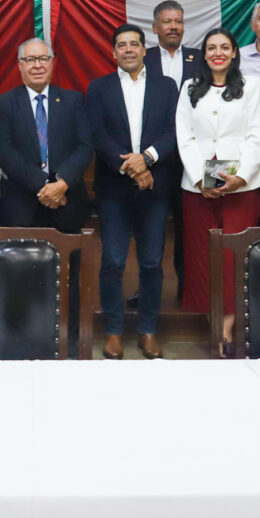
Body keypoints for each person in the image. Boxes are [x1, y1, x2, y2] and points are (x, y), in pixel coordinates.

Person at [85, 24, 178, 359]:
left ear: (143, 50)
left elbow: (174, 130)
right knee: (112, 261)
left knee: (152, 263)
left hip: (155, 188)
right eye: (122, 45)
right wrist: (132, 167)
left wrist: (147, 159)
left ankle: (148, 330)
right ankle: (113, 331)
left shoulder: (167, 86)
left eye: (134, 44)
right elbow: (97, 135)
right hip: (113, 190)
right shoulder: (99, 88)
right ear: (113, 53)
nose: (128, 50)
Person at [0, 38, 93, 347]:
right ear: (20, 66)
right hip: (22, 206)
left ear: (52, 63)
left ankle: (69, 342)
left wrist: (61, 183)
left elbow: (85, 146)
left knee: (68, 277)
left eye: (43, 59)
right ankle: (23, 341)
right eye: (30, 60)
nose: (37, 65)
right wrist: (43, 186)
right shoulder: (4, 103)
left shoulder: (73, 100)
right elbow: (4, 151)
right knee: (21, 276)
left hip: (68, 204)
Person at [176, 27, 260, 355]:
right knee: (203, 257)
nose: (218, 53)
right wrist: (201, 179)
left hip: (242, 186)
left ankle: (227, 329)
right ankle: (213, 321)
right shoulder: (190, 87)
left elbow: (257, 134)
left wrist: (240, 176)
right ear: (204, 54)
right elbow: (184, 135)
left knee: (233, 256)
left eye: (224, 47)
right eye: (212, 48)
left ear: (234, 53)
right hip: (198, 187)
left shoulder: (251, 86)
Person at [142, 0, 200, 303]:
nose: (173, 27)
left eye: (178, 21)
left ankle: (188, 292)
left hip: (195, 161)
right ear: (155, 28)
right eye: (167, 22)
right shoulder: (142, 57)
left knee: (192, 228)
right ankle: (146, 292)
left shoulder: (201, 58)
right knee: (149, 229)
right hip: (154, 160)